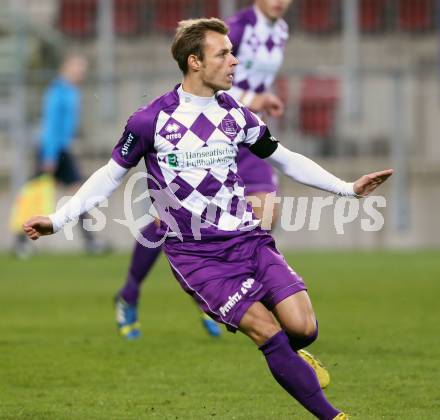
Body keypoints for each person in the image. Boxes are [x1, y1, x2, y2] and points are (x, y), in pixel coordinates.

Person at [24, 18, 393, 419]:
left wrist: (347, 188)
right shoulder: (151, 121)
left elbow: (285, 158)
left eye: (233, 52)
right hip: (198, 257)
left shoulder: (235, 114)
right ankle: (334, 416)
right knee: (266, 331)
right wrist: (59, 220)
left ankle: (296, 358)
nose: (235, 61)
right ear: (195, 62)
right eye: (225, 53)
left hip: (250, 242)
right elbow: (108, 176)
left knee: (304, 329)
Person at [114, 0, 291, 340]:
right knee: (168, 222)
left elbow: (247, 80)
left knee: (267, 212)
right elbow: (207, 81)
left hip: (241, 132)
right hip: (206, 133)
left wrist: (261, 99)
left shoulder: (281, 31)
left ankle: (224, 292)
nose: (280, 1)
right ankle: (129, 293)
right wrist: (254, 100)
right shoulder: (238, 28)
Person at [14, 54, 108, 257]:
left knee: (80, 194)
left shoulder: (71, 91)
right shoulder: (57, 92)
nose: (81, 73)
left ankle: (90, 242)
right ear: (66, 68)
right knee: (38, 195)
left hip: (61, 150)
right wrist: (49, 155)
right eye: (78, 69)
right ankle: (21, 241)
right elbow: (51, 126)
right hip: (53, 151)